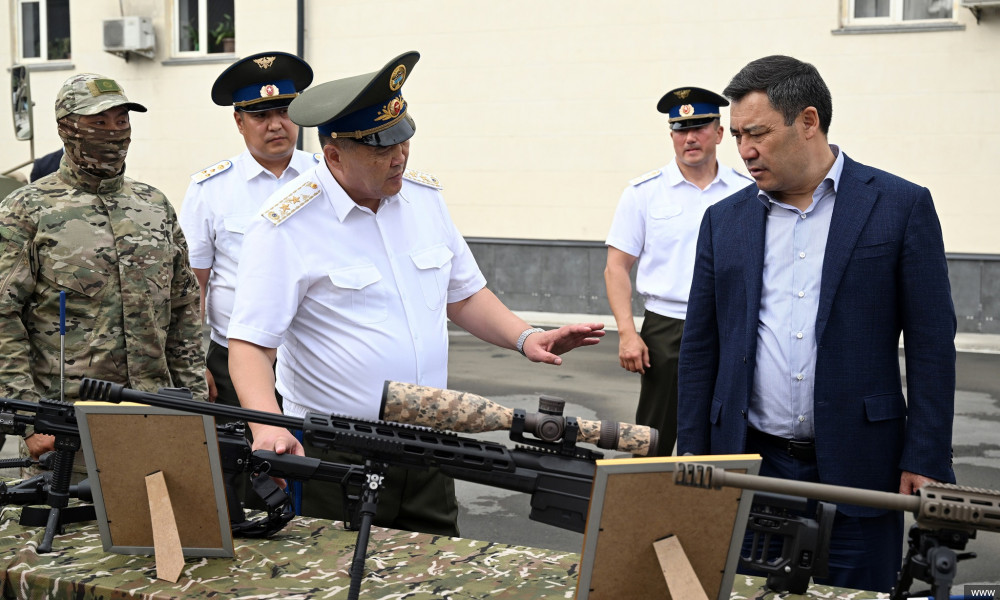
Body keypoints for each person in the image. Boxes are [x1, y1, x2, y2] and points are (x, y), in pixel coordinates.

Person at [226, 51, 605, 536]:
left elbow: (463, 294)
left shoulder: (423, 201)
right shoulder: (285, 225)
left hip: (430, 441)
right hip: (337, 451)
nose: (400, 157)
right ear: (335, 153)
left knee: (438, 572)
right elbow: (251, 345)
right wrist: (268, 427)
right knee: (335, 579)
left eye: (404, 140)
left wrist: (526, 336)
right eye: (382, 148)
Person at [676, 55, 956, 592]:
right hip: (751, 468)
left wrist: (926, 454)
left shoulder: (899, 206)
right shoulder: (724, 221)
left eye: (756, 133)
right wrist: (693, 454)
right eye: (736, 135)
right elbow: (701, 347)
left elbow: (931, 344)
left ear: (808, 122)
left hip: (861, 473)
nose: (745, 151)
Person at [0, 73, 206, 473]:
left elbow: (183, 309)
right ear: (66, 128)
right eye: (98, 122)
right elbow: (2, 317)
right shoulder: (27, 210)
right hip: (67, 433)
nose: (114, 133)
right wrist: (27, 420)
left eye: (122, 121)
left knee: (160, 533)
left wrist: (195, 405)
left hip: (157, 421)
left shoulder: (154, 206)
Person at [604, 87, 750, 457]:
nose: (690, 138)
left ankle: (713, 511)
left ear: (719, 133)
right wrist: (626, 333)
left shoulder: (746, 192)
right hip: (667, 326)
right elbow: (616, 267)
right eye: (680, 129)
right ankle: (641, 509)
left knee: (727, 425)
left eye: (700, 127)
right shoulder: (644, 193)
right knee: (653, 434)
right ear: (671, 136)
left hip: (728, 323)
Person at [179, 51, 316, 409]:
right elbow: (194, 282)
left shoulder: (328, 179)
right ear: (239, 122)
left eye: (285, 111)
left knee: (319, 460)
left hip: (317, 354)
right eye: (260, 115)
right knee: (239, 459)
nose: (276, 125)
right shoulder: (210, 189)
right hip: (232, 356)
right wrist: (194, 363)